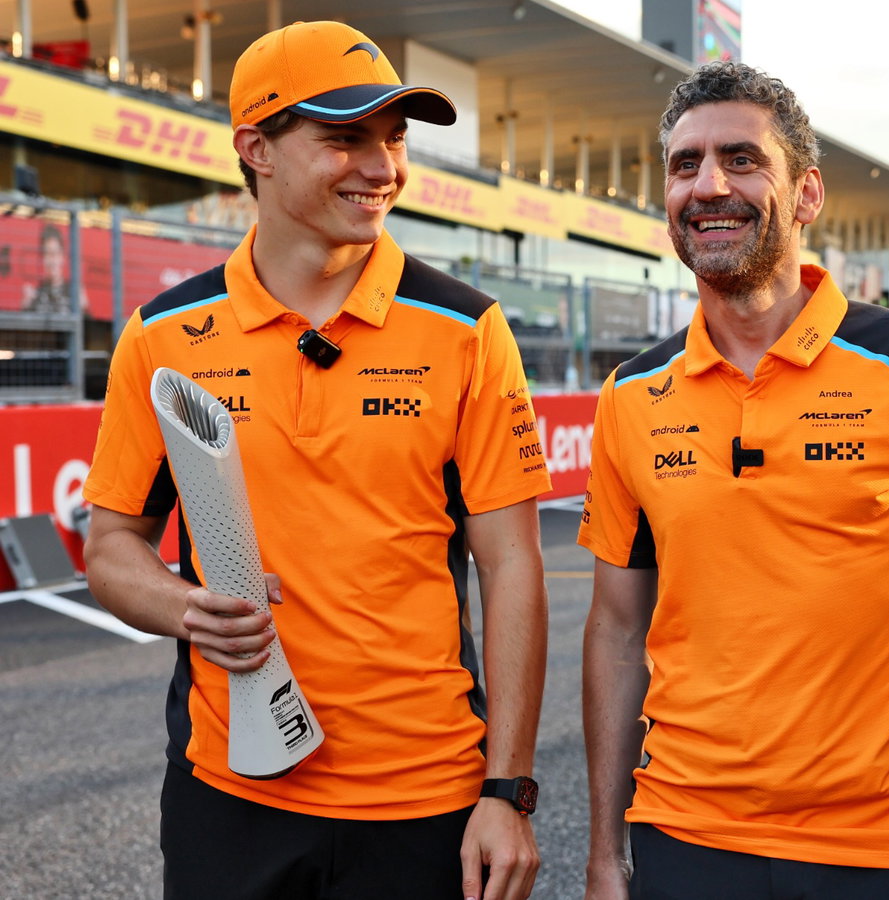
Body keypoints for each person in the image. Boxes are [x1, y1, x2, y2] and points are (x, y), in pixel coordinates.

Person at [82, 21, 548, 900]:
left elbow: (513, 564)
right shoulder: (162, 336)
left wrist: (507, 789)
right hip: (231, 790)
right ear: (256, 148)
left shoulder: (468, 330)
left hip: (426, 801)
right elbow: (111, 546)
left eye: (394, 139)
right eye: (344, 138)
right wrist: (187, 609)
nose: (382, 168)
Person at [580, 61, 889, 899]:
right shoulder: (631, 395)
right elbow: (612, 628)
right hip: (683, 835)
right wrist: (605, 854)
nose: (709, 185)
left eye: (741, 160)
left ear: (808, 194)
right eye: (685, 166)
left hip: (880, 841)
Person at [22, 224, 75, 315]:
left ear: (62, 257)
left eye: (55, 253)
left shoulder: (73, 293)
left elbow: (88, 327)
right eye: (47, 254)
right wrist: (25, 308)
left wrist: (85, 309)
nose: (52, 260)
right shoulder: (35, 295)